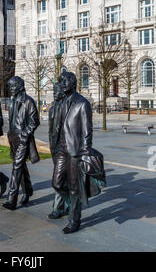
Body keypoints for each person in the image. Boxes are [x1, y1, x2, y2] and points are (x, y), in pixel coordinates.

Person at [52, 71, 105, 234]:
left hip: (75, 151)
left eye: (67, 80)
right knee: (57, 183)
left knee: (75, 187)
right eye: (61, 81)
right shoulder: (60, 102)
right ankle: (73, 205)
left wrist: (84, 152)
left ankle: (74, 219)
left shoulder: (82, 103)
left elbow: (87, 131)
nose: (63, 83)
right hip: (61, 149)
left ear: (74, 83)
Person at [3, 76, 40, 211]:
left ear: (19, 86)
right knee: (21, 166)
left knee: (17, 167)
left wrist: (25, 134)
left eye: (12, 86)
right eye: (10, 86)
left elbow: (35, 121)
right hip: (13, 137)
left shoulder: (28, 101)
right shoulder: (12, 102)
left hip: (23, 139)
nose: (10, 89)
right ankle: (28, 190)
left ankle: (11, 199)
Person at [48, 82, 69, 220]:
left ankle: (62, 205)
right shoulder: (52, 107)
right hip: (55, 147)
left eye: (57, 90)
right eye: (54, 90)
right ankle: (63, 205)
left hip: (66, 148)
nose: (55, 92)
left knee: (57, 181)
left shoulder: (69, 106)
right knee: (62, 179)